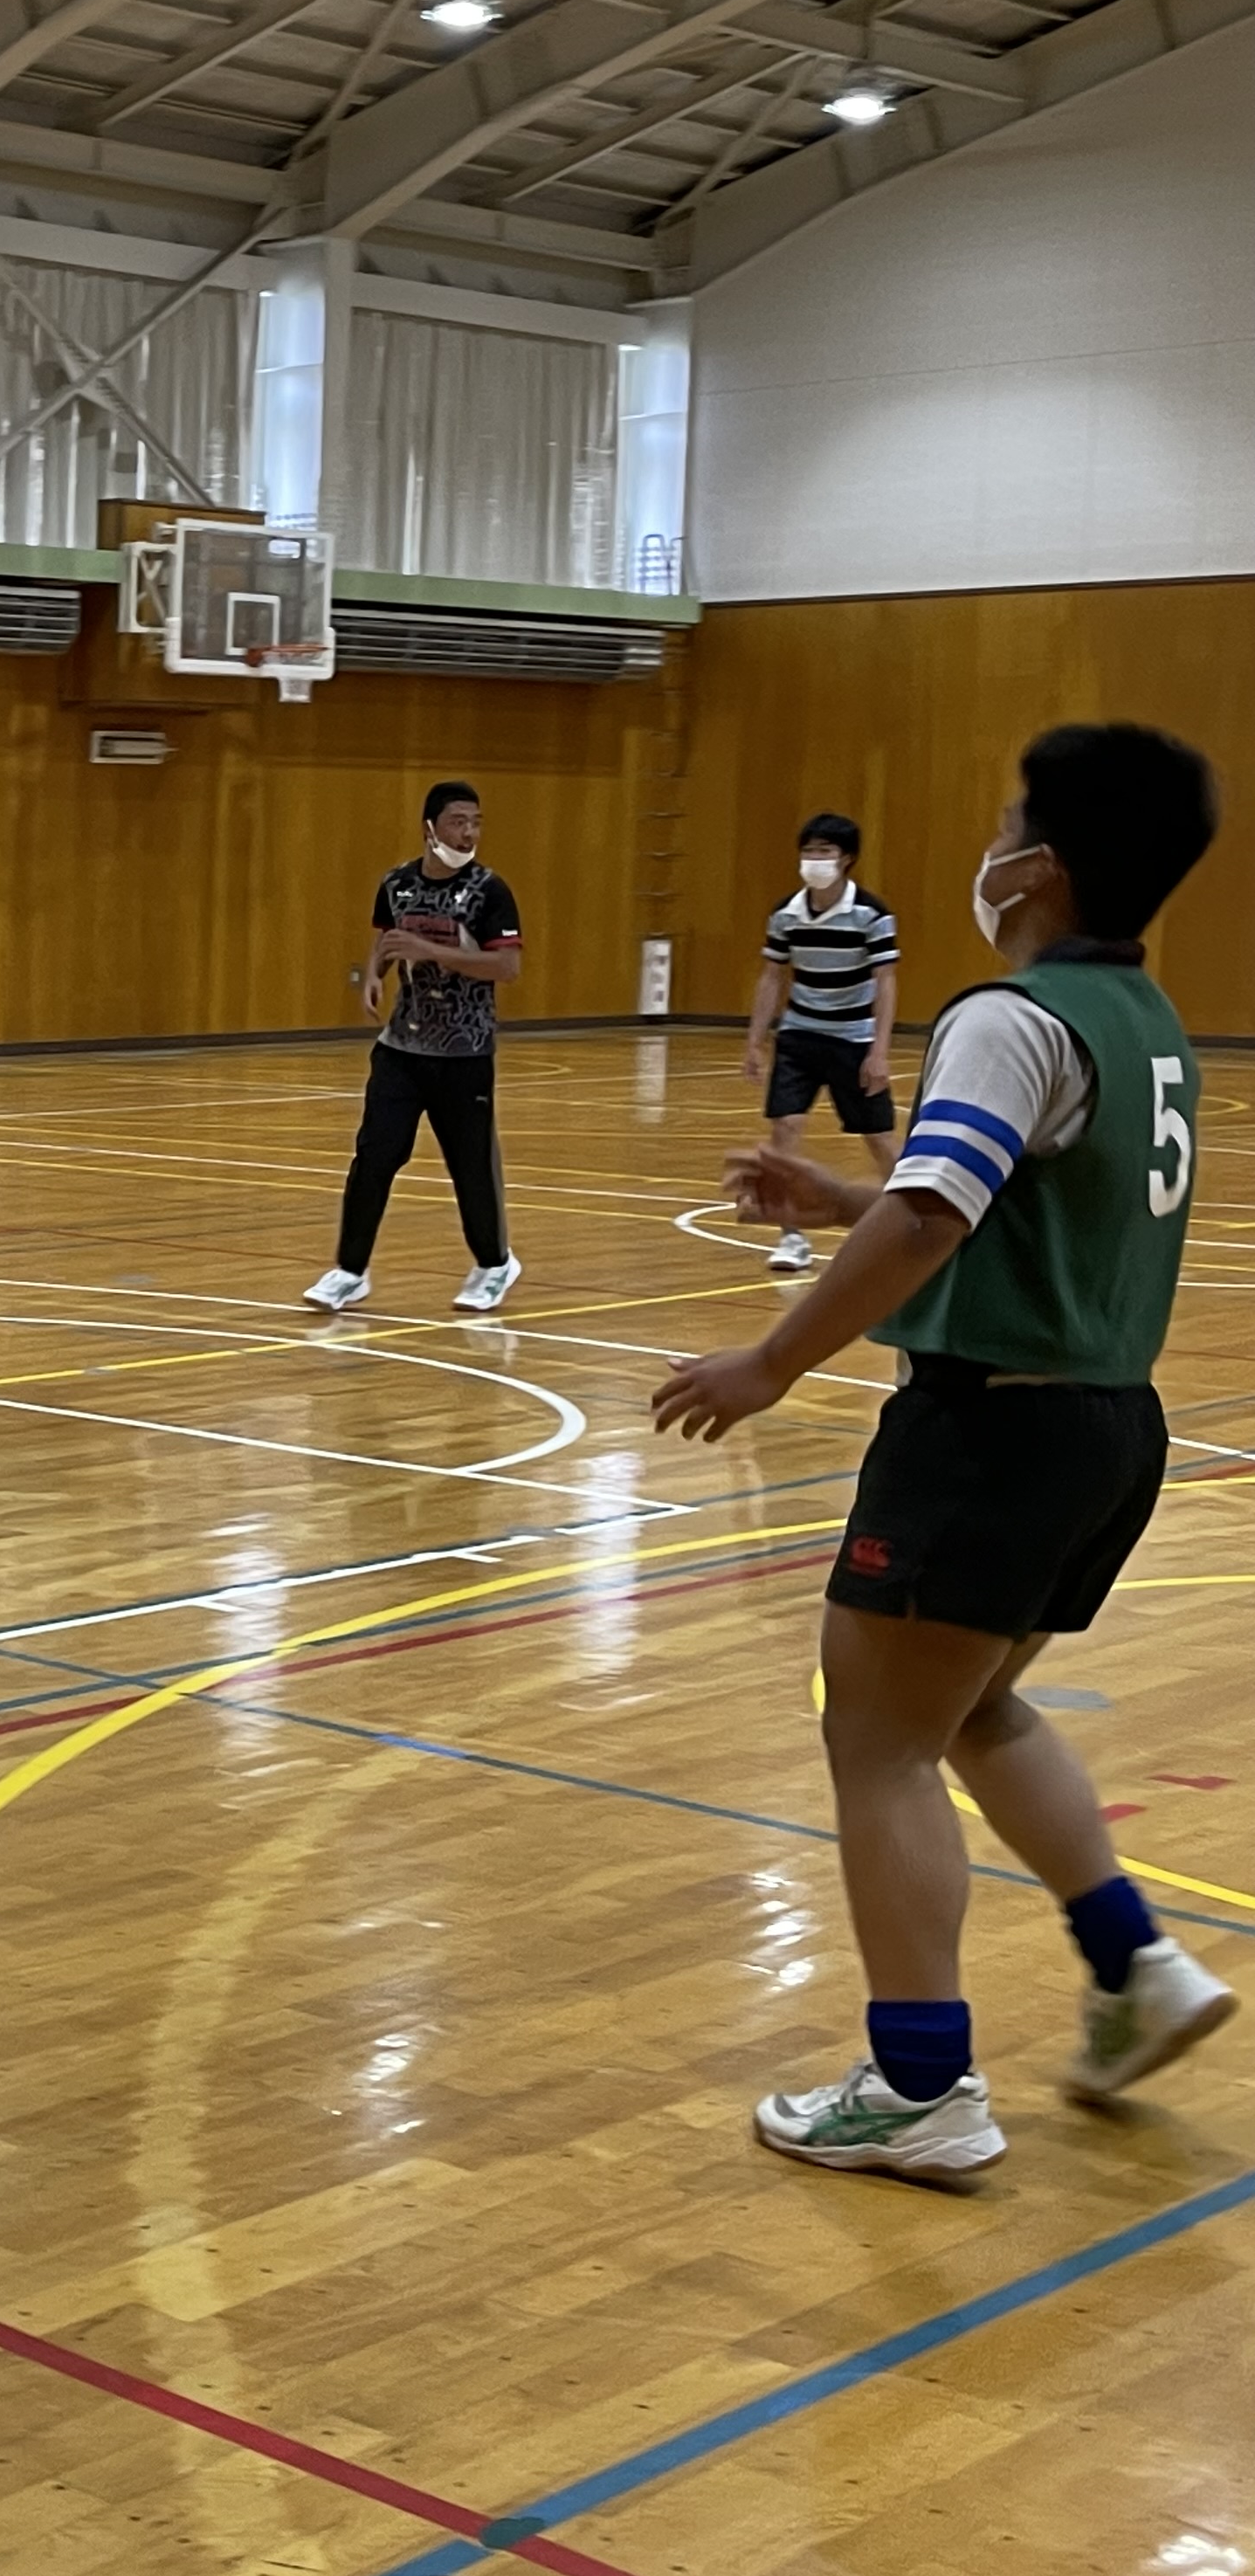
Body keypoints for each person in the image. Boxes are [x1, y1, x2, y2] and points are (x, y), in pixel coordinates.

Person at [656, 722, 1233, 2180]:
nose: (989, 846)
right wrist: (839, 1190)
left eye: (1006, 822)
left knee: (878, 1741)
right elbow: (999, 1198)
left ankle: (922, 2084)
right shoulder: (1148, 1019)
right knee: (973, 1714)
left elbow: (931, 1219)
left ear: (1040, 866)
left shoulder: (1009, 1015)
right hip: (1107, 1427)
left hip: (989, 1430)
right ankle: (1135, 1964)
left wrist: (770, 1361)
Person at [306, 781, 524, 1316]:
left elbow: (507, 966)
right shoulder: (397, 883)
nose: (468, 833)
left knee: (470, 1166)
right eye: (457, 822)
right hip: (401, 1048)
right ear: (430, 828)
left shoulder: (490, 890)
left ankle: (495, 1264)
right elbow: (387, 937)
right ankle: (349, 1271)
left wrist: (431, 951)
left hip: (464, 1053)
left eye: (475, 822)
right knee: (374, 1157)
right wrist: (373, 975)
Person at [744, 812, 903, 1271]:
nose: (814, 859)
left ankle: (916, 1224)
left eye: (825, 851)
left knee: (879, 1138)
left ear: (846, 858)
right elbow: (772, 976)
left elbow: (886, 981)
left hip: (854, 1039)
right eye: (808, 851)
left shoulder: (872, 914)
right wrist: (755, 1040)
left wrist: (879, 1052)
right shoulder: (786, 913)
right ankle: (791, 1237)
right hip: (799, 1036)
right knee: (785, 1129)